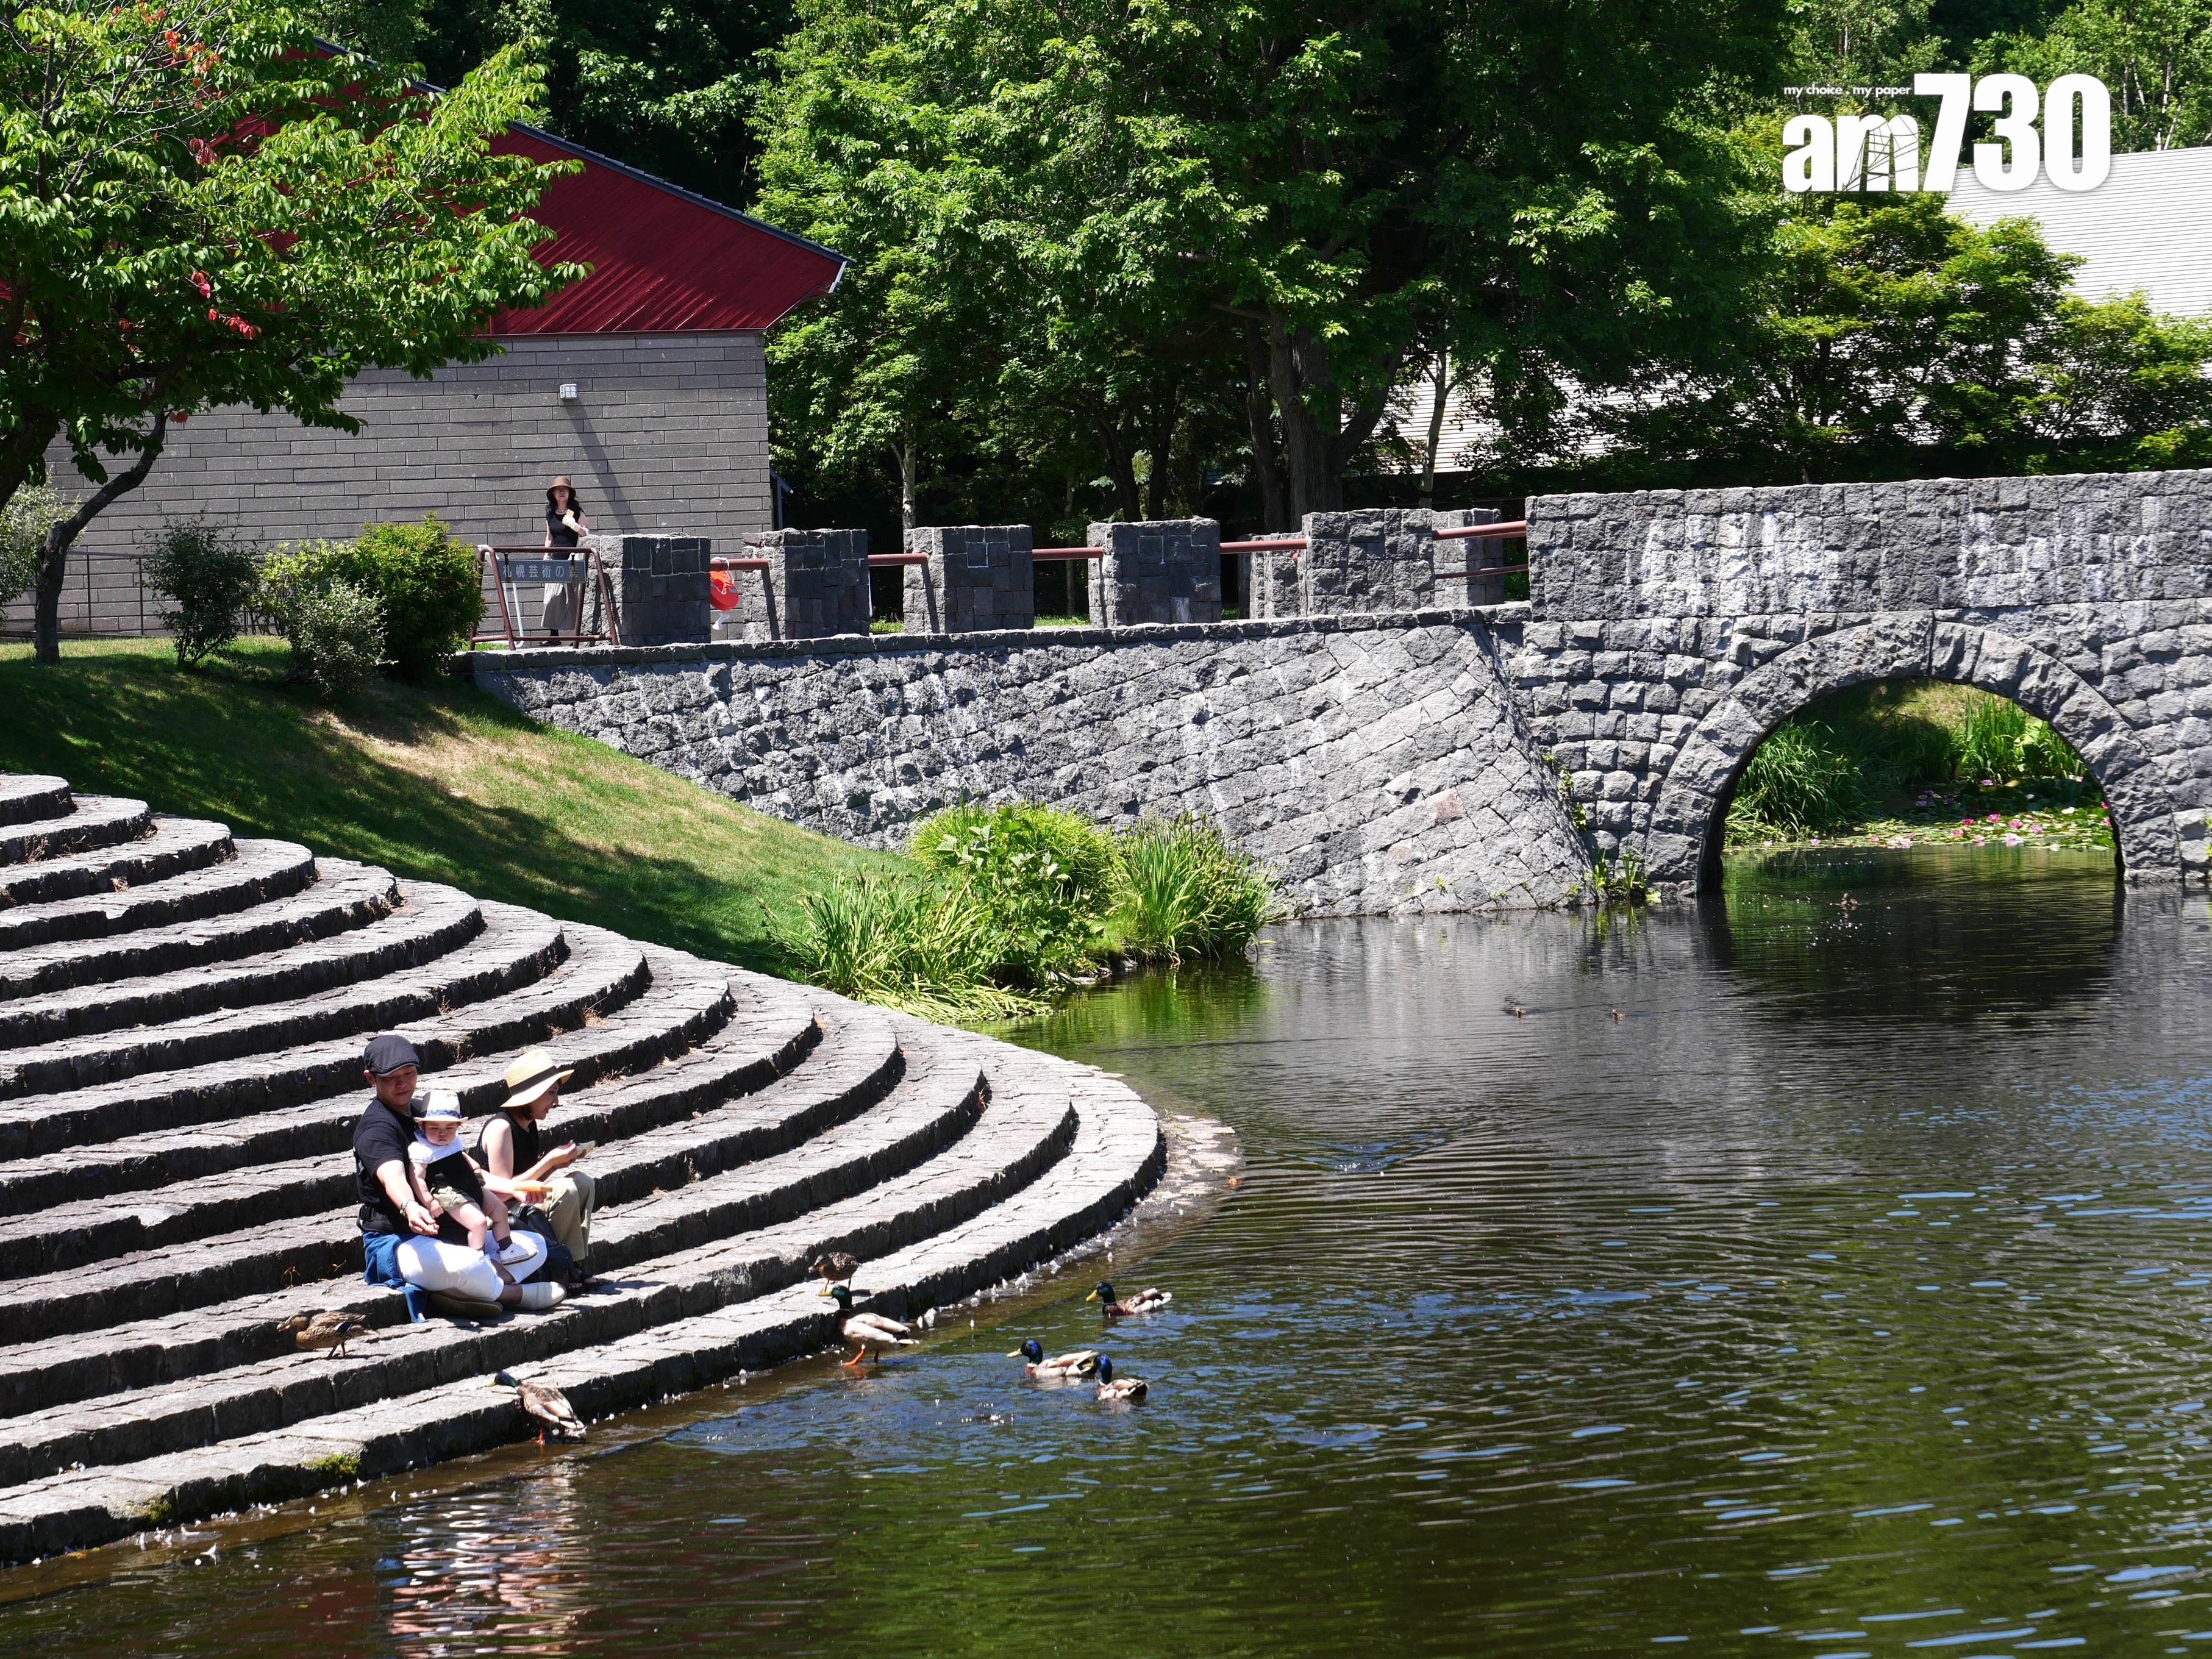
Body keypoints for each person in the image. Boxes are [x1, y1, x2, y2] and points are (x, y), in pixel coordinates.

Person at [354, 1034, 563, 1319]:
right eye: (391, 1078)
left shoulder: (425, 1114)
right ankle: (510, 1294)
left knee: (534, 1245)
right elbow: (393, 1177)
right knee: (469, 1265)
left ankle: (464, 1291)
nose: (402, 1084)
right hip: (400, 1240)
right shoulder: (376, 1128)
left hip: (450, 1233)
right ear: (371, 1079)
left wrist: (514, 1187)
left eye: (409, 1074)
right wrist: (409, 1206)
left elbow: (462, 1169)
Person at [479, 1047, 598, 1292]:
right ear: (532, 1095)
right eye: (551, 1093)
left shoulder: (529, 1124)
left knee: (583, 1182)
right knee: (565, 1189)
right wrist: (549, 1161)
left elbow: (528, 1183)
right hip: (499, 1217)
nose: (556, 1102)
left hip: (523, 1205)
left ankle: (573, 1261)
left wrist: (557, 1166)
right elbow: (502, 1194)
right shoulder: (501, 1128)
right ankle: (564, 1268)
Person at [407, 1089, 537, 1277]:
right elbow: (417, 1178)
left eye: (449, 1128)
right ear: (423, 1126)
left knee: (500, 1210)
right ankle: (478, 1258)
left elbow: (460, 1156)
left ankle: (507, 1248)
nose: (442, 1134)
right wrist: (429, 1202)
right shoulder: (422, 1149)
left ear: (458, 1126)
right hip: (447, 1190)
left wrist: (475, 1169)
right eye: (435, 1128)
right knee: (479, 1223)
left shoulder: (453, 1142)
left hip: (468, 1182)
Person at [540, 476, 590, 636]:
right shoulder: (550, 515)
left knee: (573, 598)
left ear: (570, 493)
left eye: (565, 489)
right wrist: (546, 557)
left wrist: (575, 526)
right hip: (556, 560)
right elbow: (549, 538)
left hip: (573, 559)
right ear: (553, 494)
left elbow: (587, 534)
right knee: (552, 597)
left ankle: (579, 636)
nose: (562, 492)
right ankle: (553, 636)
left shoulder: (577, 512)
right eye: (558, 490)